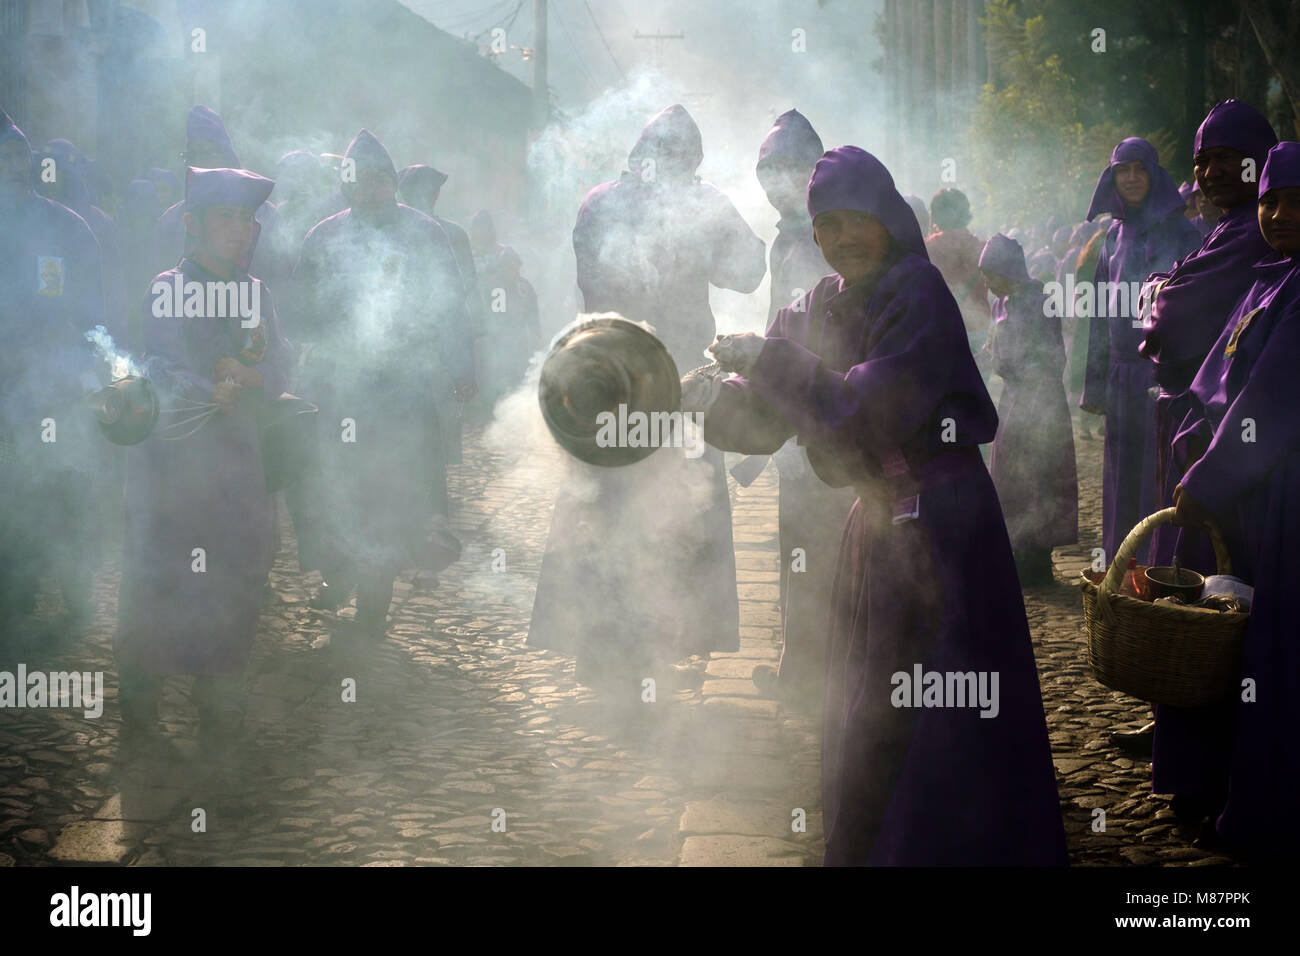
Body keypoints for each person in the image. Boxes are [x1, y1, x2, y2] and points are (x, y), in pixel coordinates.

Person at [693, 146, 1066, 865]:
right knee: (877, 704)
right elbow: (771, 417)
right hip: (877, 521)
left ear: (886, 218)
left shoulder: (916, 291)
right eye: (824, 226)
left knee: (947, 703)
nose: (838, 239)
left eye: (852, 220)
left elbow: (871, 405)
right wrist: (700, 399)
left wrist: (764, 361)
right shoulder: (816, 304)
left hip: (945, 521)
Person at [528, 104, 766, 702]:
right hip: (666, 378)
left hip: (605, 375)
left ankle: (605, 647)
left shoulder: (599, 200)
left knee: (611, 506)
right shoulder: (693, 202)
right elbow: (748, 270)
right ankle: (652, 645)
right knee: (667, 511)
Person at [116, 167, 290, 750]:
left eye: (247, 218)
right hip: (173, 464)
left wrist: (253, 374)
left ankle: (219, 703)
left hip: (237, 464)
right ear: (193, 225)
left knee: (234, 574)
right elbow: (154, 365)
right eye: (227, 217)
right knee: (160, 577)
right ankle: (141, 705)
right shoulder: (167, 287)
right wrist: (200, 387)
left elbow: (282, 366)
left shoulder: (256, 292)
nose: (240, 229)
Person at [1165, 141, 1300, 859]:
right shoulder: (1268, 279)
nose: (1278, 214)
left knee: (1275, 644)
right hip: (1250, 487)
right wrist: (1194, 432)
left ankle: (1271, 810)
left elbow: (1274, 402)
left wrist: (1211, 477)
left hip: (1283, 489)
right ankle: (1220, 784)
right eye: (1270, 200)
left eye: (1295, 201)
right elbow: (1221, 377)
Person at [292, 128, 474, 634]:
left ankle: (373, 607)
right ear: (347, 185)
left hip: (404, 392)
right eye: (363, 179)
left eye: (381, 179)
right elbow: (300, 314)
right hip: (339, 391)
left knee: (394, 495)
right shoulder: (324, 236)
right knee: (339, 489)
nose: (373, 188)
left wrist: (463, 368)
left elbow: (453, 308)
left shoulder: (424, 234)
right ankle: (341, 573)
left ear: (392, 183)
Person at [1141, 100, 1277, 572]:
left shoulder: (1257, 233)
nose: (1210, 171)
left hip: (1224, 438)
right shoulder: (1230, 226)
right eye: (1201, 161)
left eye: (1225, 157)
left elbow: (1169, 317)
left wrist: (1162, 291)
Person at [748, 108, 854, 712]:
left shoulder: (832, 230)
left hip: (828, 402)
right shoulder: (784, 237)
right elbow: (778, 320)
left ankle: (826, 674)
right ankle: (801, 667)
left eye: (790, 167)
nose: (778, 180)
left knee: (829, 541)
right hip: (793, 402)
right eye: (770, 169)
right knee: (800, 542)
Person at [0, 108, 105, 648]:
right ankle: (13, 588)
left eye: (17, 155)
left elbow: (95, 310)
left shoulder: (67, 227)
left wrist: (101, 369)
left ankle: (73, 582)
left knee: (65, 485)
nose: (10, 166)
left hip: (58, 387)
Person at [1080, 138, 1201, 570]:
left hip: (1161, 381)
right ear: (1111, 179)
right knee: (1120, 480)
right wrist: (1094, 384)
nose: (1130, 178)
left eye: (1139, 169)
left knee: (1158, 481)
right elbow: (1097, 317)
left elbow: (1195, 308)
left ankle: (1159, 574)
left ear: (1154, 175)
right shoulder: (1111, 237)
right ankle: (1121, 573)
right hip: (1119, 380)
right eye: (1121, 170)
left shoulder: (1182, 232)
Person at [980, 233, 1077, 585]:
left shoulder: (1039, 299)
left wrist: (1028, 379)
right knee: (1011, 478)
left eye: (991, 274)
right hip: (1014, 399)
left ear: (1008, 270)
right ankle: (1016, 553)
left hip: (1040, 401)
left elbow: (1051, 354)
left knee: (1039, 476)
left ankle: (1037, 558)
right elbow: (994, 348)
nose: (987, 283)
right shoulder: (1000, 304)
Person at [466, 209, 539, 413]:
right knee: (481, 366)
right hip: (476, 315)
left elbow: (517, 282)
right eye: (476, 228)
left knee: (507, 365)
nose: (480, 232)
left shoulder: (503, 251)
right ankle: (479, 406)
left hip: (504, 317)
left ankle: (507, 405)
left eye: (484, 227)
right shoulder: (467, 253)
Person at [925, 188, 990, 372]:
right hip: (979, 332)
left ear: (936, 215)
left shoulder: (927, 248)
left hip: (941, 332)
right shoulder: (983, 248)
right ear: (966, 213)